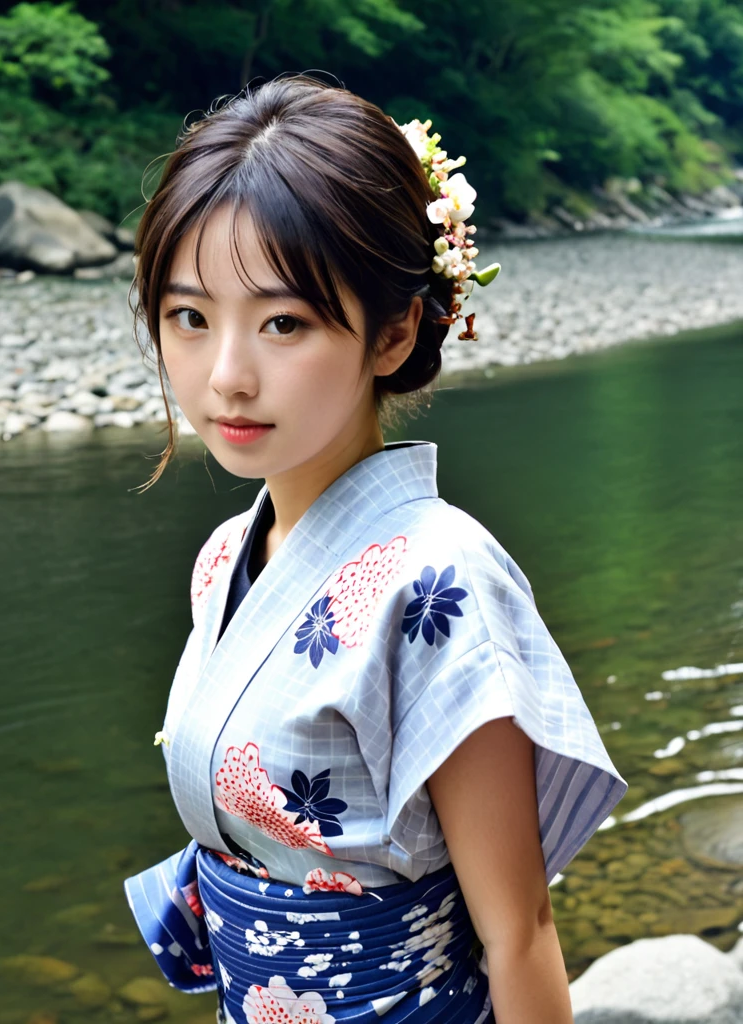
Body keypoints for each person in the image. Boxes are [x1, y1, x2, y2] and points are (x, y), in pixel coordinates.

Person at [122, 73, 628, 1024]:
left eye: (283, 322)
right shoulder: (225, 555)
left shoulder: (441, 584)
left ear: (393, 331)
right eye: (190, 317)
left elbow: (518, 933)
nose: (226, 376)